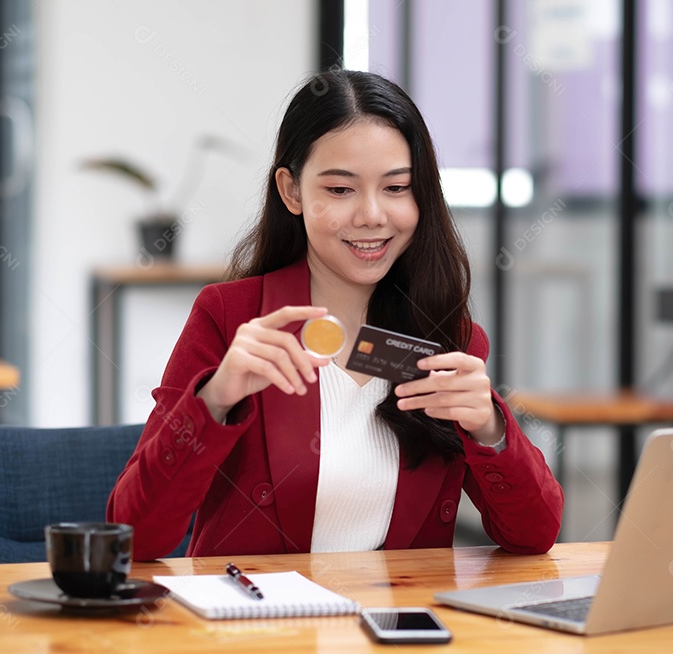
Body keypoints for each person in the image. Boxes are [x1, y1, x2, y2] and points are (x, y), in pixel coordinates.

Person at [107, 69, 563, 561]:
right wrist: (215, 399)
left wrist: (490, 430)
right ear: (292, 191)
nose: (372, 215)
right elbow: (135, 536)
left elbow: (534, 535)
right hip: (263, 630)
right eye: (340, 190)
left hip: (398, 629)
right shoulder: (231, 317)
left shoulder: (447, 337)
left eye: (396, 188)